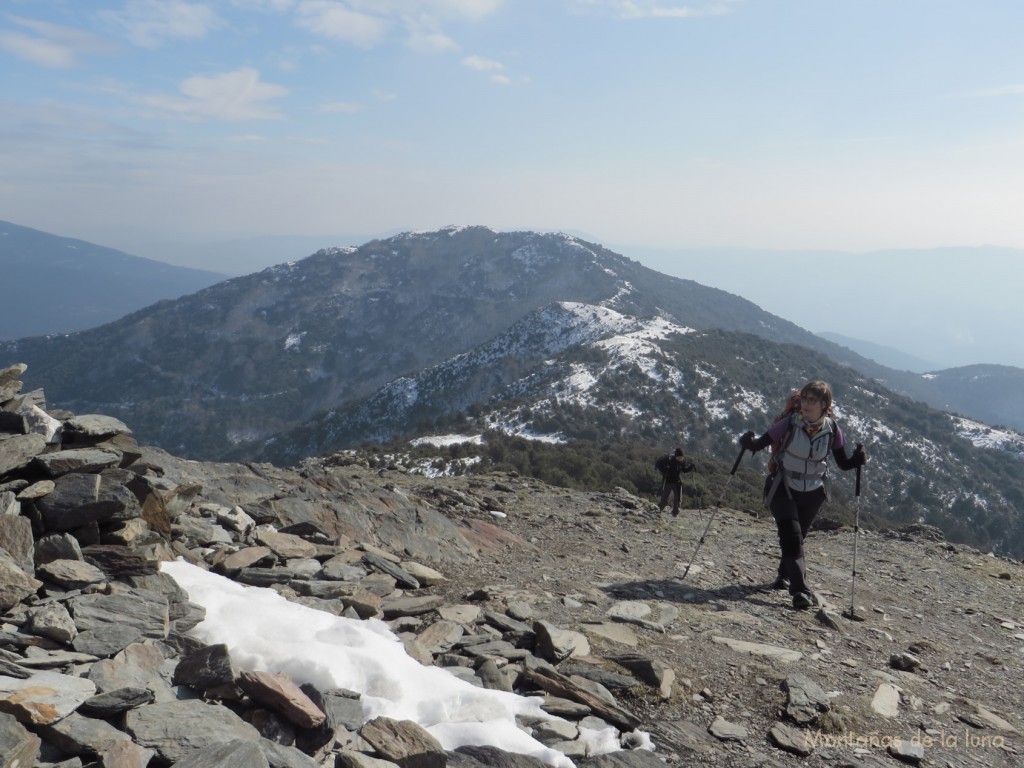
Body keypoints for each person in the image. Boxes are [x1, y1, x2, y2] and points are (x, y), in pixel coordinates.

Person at [739, 380, 867, 610]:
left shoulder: (833, 430)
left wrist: (857, 460)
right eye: (804, 398)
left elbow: (843, 463)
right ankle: (800, 591)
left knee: (798, 537)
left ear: (824, 404)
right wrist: (748, 442)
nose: (805, 404)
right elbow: (760, 444)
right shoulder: (789, 424)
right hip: (782, 485)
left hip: (813, 492)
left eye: (812, 400)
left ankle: (783, 575)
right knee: (791, 534)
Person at [654, 448, 696, 516]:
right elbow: (661, 467)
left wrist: (691, 467)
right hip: (668, 481)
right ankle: (658, 510)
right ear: (676, 456)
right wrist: (664, 473)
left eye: (682, 458)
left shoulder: (682, 462)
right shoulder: (669, 460)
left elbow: (684, 470)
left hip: (677, 482)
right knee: (664, 499)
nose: (680, 459)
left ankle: (675, 513)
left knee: (678, 499)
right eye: (679, 458)